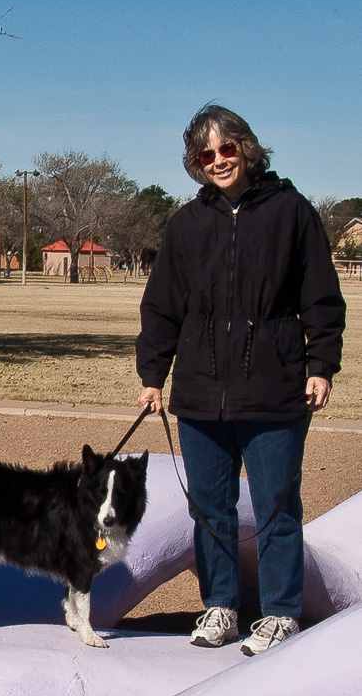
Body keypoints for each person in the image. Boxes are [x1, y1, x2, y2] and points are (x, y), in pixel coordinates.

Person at [136, 104, 346, 657]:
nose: (219, 161)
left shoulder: (292, 212)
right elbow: (161, 307)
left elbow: (321, 298)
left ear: (246, 148)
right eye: (206, 154)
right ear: (196, 163)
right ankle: (221, 606)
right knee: (209, 508)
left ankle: (280, 614)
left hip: (276, 389)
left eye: (227, 148)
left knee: (278, 508)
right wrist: (153, 375)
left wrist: (321, 365)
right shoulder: (186, 224)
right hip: (201, 394)